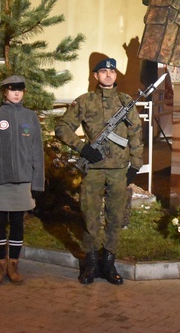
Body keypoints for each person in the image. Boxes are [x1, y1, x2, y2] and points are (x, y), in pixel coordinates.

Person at [55, 58, 143, 285]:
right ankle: (91, 262)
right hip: (93, 170)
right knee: (90, 216)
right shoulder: (84, 102)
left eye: (111, 72)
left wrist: (135, 165)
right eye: (103, 71)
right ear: (96, 76)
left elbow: (136, 135)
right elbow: (62, 128)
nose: (108, 75)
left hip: (118, 171)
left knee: (115, 217)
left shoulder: (126, 103)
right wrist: (82, 147)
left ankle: (109, 262)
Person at [0, 75, 44, 285]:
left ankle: (13, 263)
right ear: (4, 92)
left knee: (16, 223)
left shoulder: (30, 117)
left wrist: (38, 182)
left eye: (20, 89)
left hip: (23, 180)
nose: (16, 93)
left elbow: (36, 151)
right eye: (12, 89)